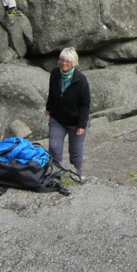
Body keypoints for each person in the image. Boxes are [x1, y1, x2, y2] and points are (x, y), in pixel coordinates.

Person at [45, 47, 90, 182]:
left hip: (76, 122)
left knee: (75, 151)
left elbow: (85, 104)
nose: (64, 63)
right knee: (54, 146)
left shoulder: (81, 80)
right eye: (62, 60)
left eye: (68, 61)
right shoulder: (54, 74)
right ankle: (56, 173)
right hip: (57, 118)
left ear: (74, 63)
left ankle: (77, 174)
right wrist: (48, 108)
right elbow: (52, 92)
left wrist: (82, 125)